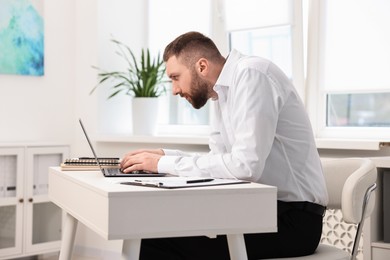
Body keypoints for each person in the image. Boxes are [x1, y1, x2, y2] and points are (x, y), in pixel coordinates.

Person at [120, 31, 328, 260]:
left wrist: (163, 163)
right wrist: (164, 156)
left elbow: (245, 168)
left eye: (175, 77)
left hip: (293, 221)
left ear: (201, 66)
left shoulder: (252, 74)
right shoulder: (221, 94)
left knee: (155, 240)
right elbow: (219, 161)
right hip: (259, 209)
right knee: (154, 228)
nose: (174, 90)